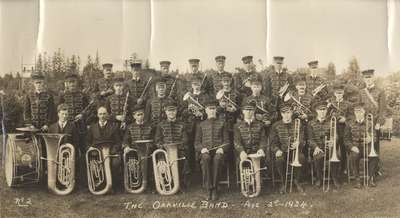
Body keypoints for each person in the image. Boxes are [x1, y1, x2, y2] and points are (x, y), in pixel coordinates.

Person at [195, 99, 229, 200]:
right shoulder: (201, 125)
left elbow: (227, 141)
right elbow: (196, 143)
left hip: (218, 151)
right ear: (206, 111)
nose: (212, 111)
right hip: (206, 151)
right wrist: (202, 149)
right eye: (210, 109)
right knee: (205, 158)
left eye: (214, 109)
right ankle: (208, 188)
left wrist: (222, 148)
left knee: (218, 159)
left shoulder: (222, 123)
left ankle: (214, 188)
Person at [269, 103, 306, 194]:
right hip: (282, 151)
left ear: (292, 113)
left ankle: (297, 181)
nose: (286, 115)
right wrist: (277, 150)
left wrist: (299, 143)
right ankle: (283, 182)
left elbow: (302, 138)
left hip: (295, 151)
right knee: (279, 160)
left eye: (288, 112)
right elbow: (273, 142)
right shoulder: (275, 125)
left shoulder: (298, 123)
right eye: (284, 113)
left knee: (301, 158)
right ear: (281, 114)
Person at [154, 99, 190, 189]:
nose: (171, 112)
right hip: (165, 152)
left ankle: (180, 183)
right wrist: (163, 151)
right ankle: (167, 182)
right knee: (161, 163)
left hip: (179, 151)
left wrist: (178, 148)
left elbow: (185, 139)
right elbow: (158, 140)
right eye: (169, 111)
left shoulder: (182, 124)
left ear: (176, 111)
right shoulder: (160, 125)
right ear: (166, 112)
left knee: (184, 161)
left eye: (173, 110)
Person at [233, 101, 268, 191]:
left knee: (264, 159)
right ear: (243, 111)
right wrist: (241, 151)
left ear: (254, 111)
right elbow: (237, 141)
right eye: (246, 110)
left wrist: (261, 149)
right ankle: (249, 182)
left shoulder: (260, 125)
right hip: (244, 153)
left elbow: (263, 140)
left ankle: (257, 180)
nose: (249, 112)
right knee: (241, 163)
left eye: (251, 110)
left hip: (257, 152)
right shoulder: (237, 126)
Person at [86, 106, 122, 192]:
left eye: (104, 114)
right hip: (96, 152)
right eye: (100, 114)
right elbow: (87, 141)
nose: (102, 116)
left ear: (107, 115)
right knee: (94, 164)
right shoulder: (92, 127)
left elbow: (118, 142)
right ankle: (99, 184)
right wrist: (90, 148)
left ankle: (113, 185)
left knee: (115, 163)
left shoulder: (114, 126)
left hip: (111, 151)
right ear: (97, 115)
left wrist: (114, 150)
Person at [345, 102, 379, 188]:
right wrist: (352, 147)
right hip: (355, 147)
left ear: (364, 112)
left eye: (360, 111)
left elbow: (375, 137)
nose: (358, 113)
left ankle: (370, 178)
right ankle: (357, 180)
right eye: (356, 112)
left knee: (374, 156)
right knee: (353, 157)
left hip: (366, 147)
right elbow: (346, 139)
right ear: (354, 113)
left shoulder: (370, 123)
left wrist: (370, 139)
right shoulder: (349, 124)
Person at [122, 104, 155, 192]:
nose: (140, 116)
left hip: (148, 152)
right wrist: (126, 147)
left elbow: (154, 139)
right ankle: (136, 184)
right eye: (138, 115)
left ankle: (149, 184)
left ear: (144, 114)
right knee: (132, 163)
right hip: (134, 152)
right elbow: (125, 140)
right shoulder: (130, 127)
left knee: (150, 162)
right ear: (134, 116)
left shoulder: (150, 126)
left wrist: (150, 147)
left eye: (142, 114)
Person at [308, 101, 340, 189]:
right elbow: (310, 139)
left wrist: (333, 141)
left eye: (324, 109)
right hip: (317, 148)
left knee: (336, 156)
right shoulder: (311, 123)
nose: (322, 112)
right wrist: (316, 147)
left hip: (329, 147)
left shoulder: (332, 122)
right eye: (320, 110)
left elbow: (336, 135)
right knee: (318, 156)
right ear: (316, 111)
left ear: (326, 111)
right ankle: (319, 178)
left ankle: (334, 178)